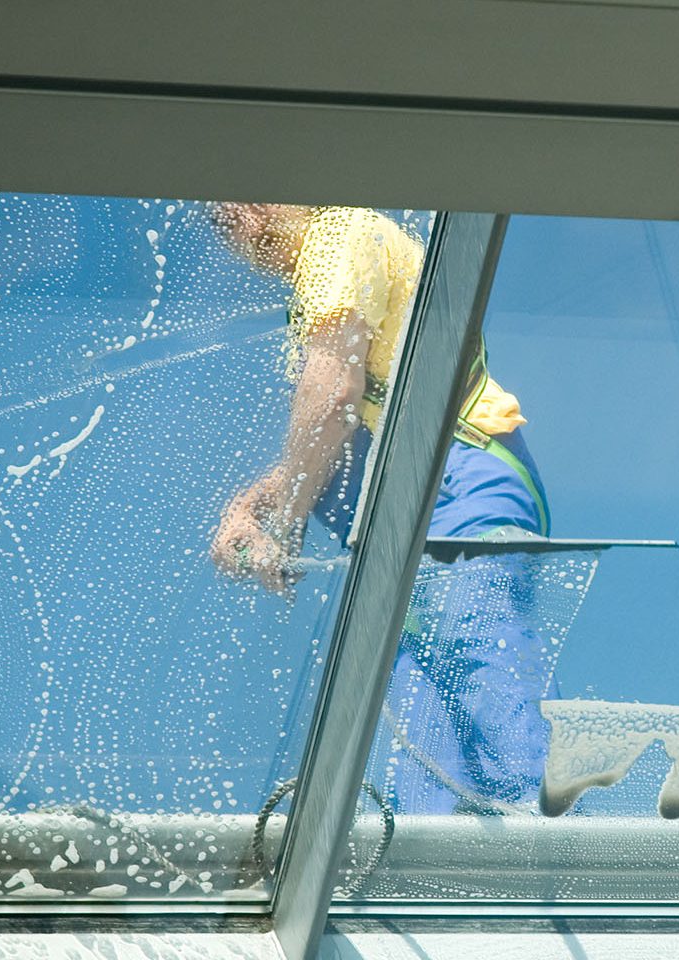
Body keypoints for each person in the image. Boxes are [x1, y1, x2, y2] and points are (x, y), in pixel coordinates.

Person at [207, 203, 553, 813]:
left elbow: (330, 398)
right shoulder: (340, 258)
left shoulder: (336, 235)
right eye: (218, 219)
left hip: (454, 496)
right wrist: (254, 504)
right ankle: (444, 862)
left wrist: (283, 525)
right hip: (414, 527)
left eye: (237, 201)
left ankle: (545, 851)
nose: (233, 220)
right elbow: (341, 424)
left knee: (483, 682)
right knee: (420, 753)